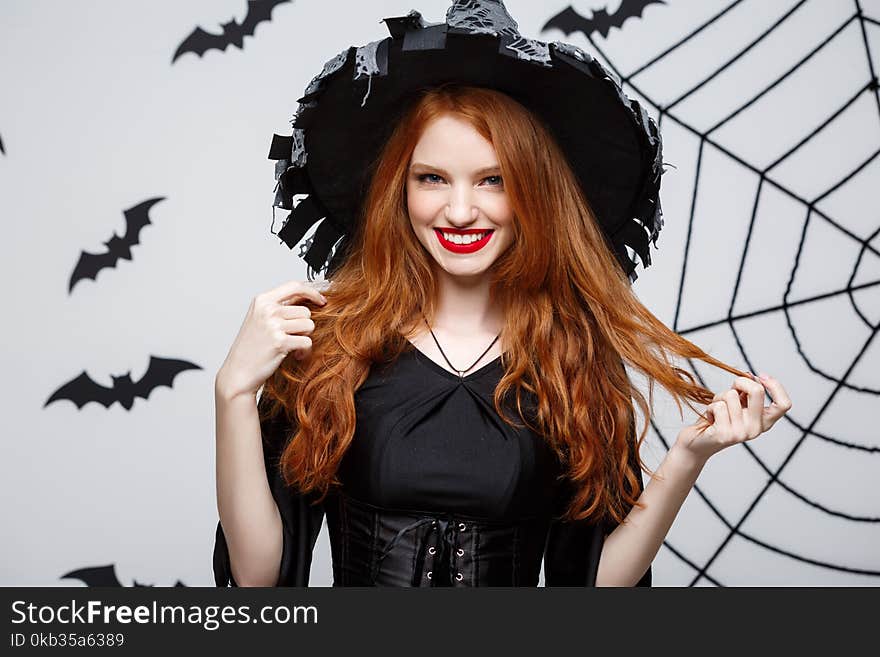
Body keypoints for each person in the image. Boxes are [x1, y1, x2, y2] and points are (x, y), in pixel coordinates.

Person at [213, 0, 792, 587]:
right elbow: (259, 582)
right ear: (399, 188)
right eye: (432, 178)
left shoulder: (573, 362)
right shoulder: (325, 350)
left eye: (494, 181)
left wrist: (687, 458)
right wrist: (233, 393)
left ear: (533, 194)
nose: (460, 211)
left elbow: (590, 588)